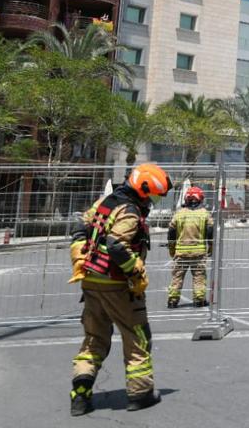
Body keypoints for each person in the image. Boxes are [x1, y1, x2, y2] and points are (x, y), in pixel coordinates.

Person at [68, 163, 170, 416]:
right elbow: (115, 245)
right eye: (152, 195)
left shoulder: (105, 202)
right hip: (117, 286)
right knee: (137, 336)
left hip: (91, 281)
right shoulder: (129, 211)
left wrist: (82, 251)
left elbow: (80, 225)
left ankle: (80, 395)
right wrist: (134, 271)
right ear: (141, 188)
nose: (152, 200)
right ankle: (141, 393)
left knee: (94, 338)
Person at [166, 186, 213, 309]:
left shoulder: (179, 214)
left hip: (181, 252)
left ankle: (172, 300)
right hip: (199, 253)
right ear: (200, 199)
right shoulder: (205, 214)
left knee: (177, 276)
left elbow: (171, 232)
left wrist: (172, 248)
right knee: (199, 276)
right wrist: (211, 246)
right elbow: (210, 232)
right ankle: (199, 300)